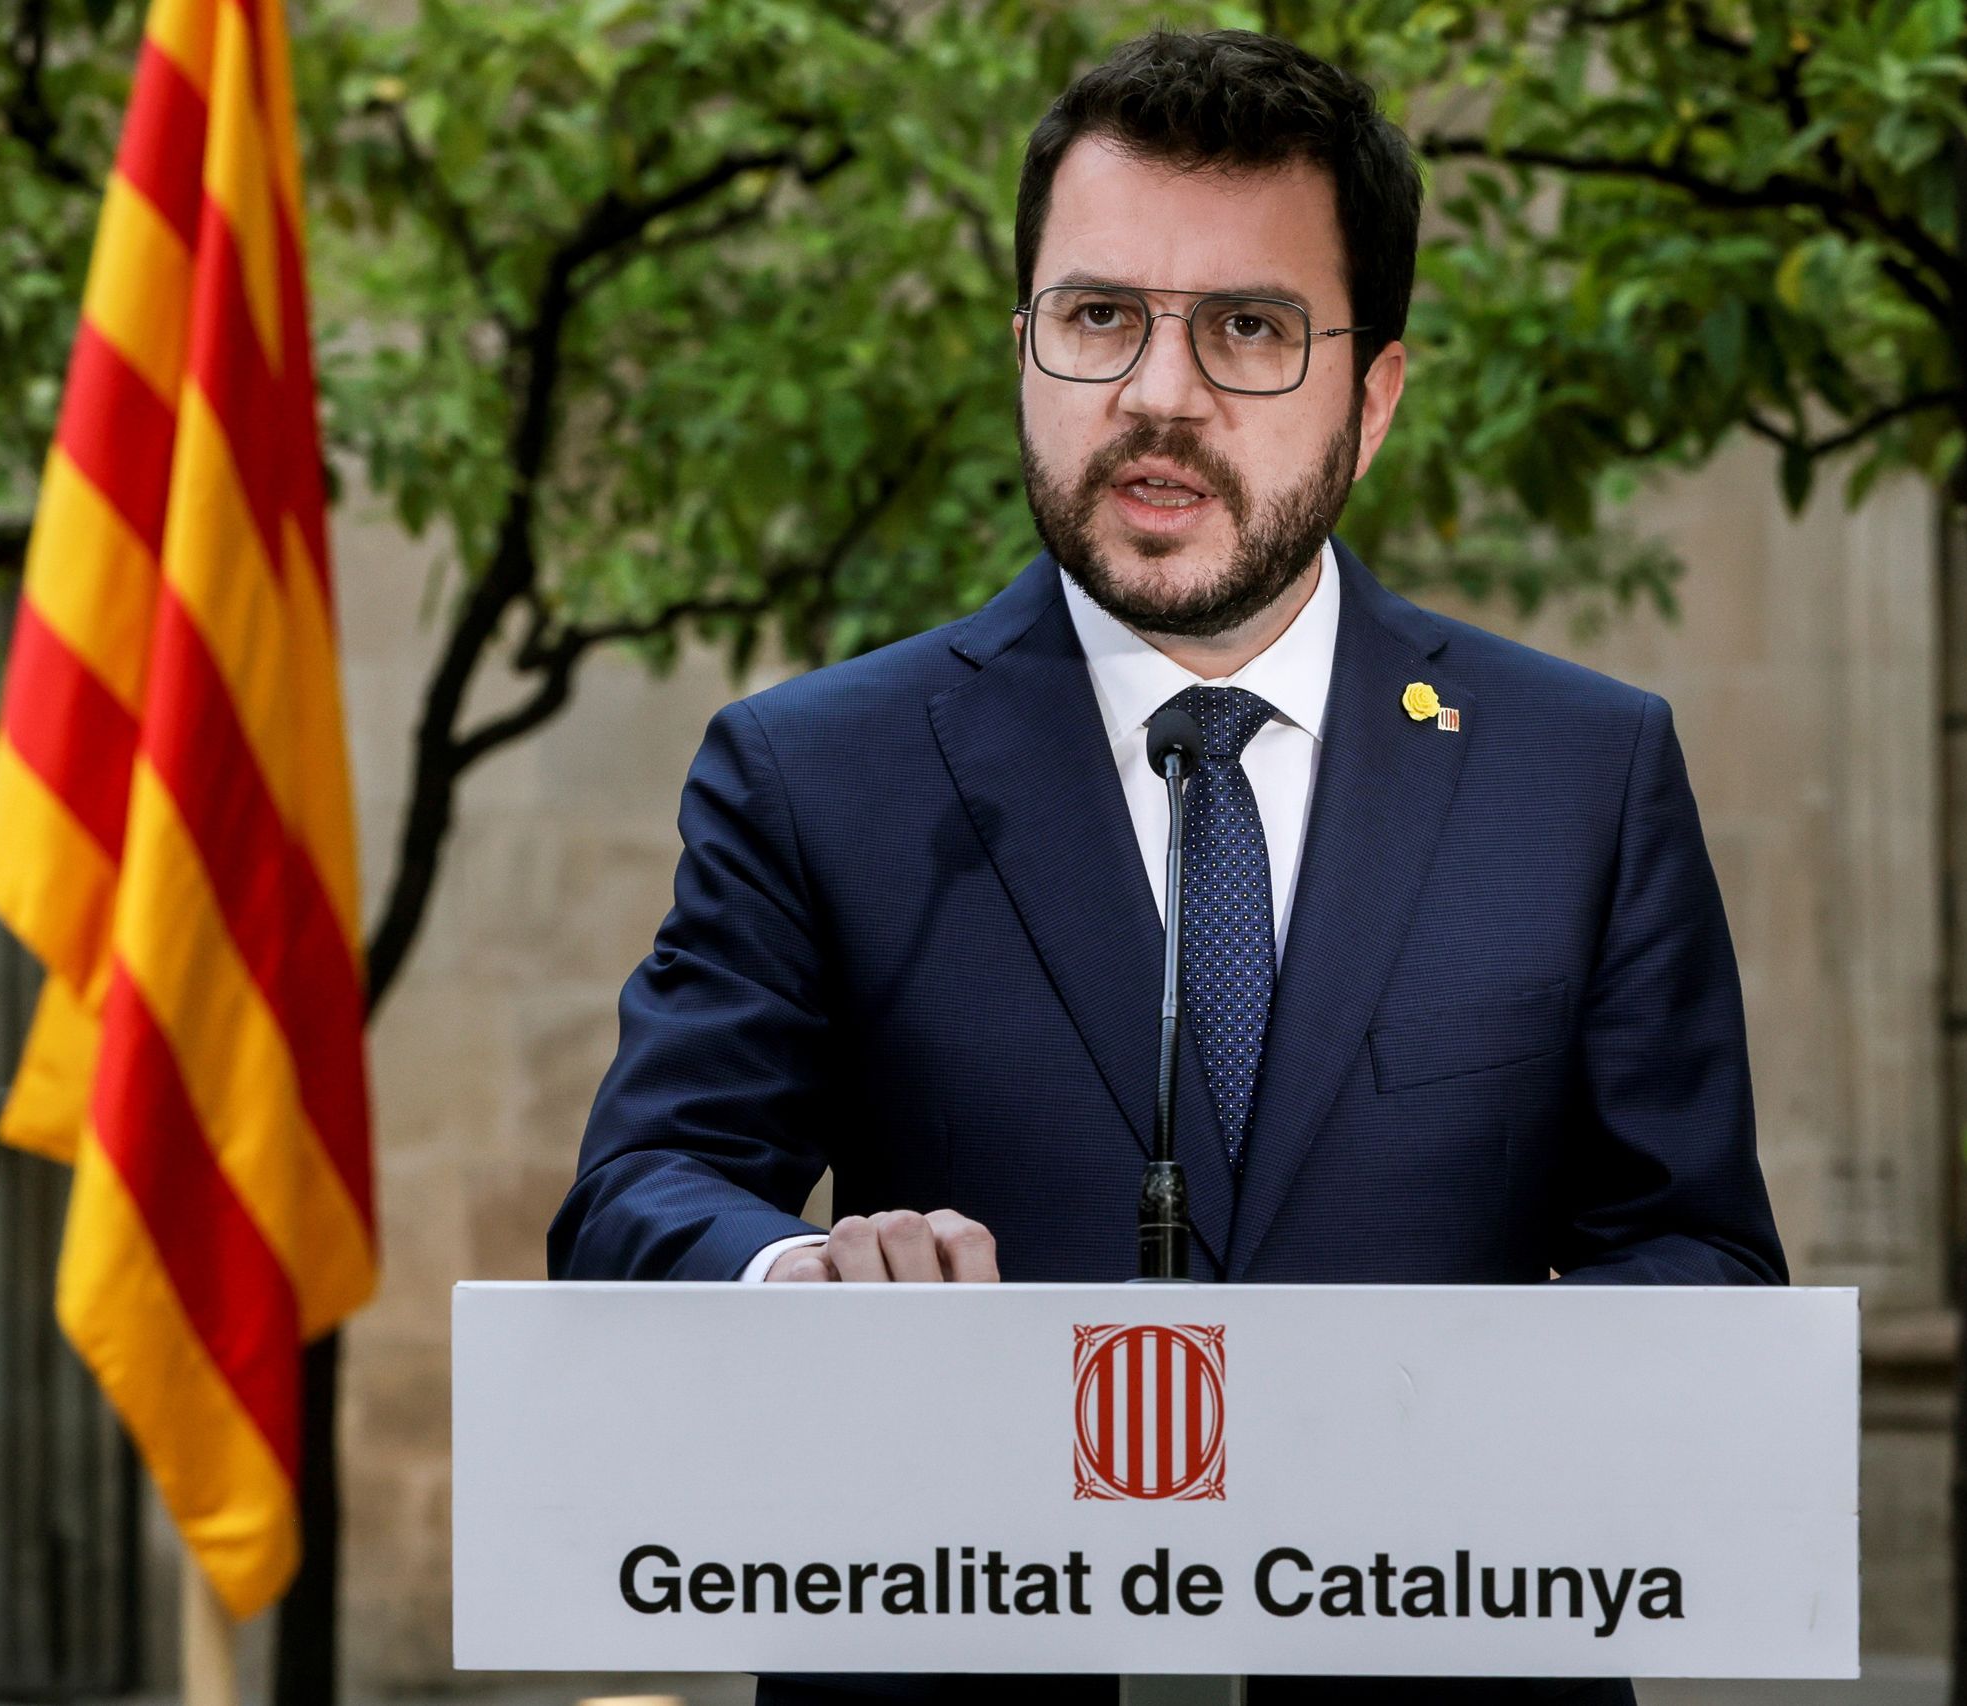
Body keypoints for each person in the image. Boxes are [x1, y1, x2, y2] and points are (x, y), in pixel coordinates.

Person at [550, 27, 1786, 1705]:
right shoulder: (814, 772)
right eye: (1098, 317)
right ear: (1024, 347)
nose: (1157, 394)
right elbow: (639, 1197)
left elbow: (1705, 1260)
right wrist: (799, 1277)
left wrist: (1496, 1378)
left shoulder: (1583, 773)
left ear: (1375, 399)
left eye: (1250, 329)